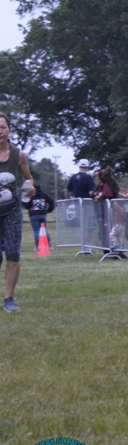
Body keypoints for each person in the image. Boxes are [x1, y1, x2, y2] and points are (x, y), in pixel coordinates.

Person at [0, 113, 35, 311]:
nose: (0, 131)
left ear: (9, 130)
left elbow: (28, 178)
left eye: (2, 127)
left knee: (13, 253)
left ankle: (9, 299)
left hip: (12, 210)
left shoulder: (18, 155)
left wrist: (30, 187)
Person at [66, 159, 96, 254]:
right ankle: (88, 246)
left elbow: (67, 190)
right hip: (87, 204)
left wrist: (69, 198)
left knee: (82, 225)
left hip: (77, 205)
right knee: (89, 226)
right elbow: (91, 192)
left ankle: (83, 245)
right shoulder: (88, 177)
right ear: (87, 167)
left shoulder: (73, 177)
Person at [92, 167, 121, 253]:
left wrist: (99, 196)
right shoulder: (100, 186)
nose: (96, 178)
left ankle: (117, 250)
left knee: (111, 232)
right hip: (103, 213)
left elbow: (106, 193)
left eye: (98, 176)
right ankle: (108, 250)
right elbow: (94, 194)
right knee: (103, 233)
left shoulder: (107, 185)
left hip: (110, 213)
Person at [24, 182, 55, 249]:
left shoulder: (31, 195)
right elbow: (52, 202)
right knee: (44, 229)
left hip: (33, 215)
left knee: (37, 231)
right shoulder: (44, 194)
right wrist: (48, 210)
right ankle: (49, 244)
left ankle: (38, 246)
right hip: (42, 214)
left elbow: (26, 205)